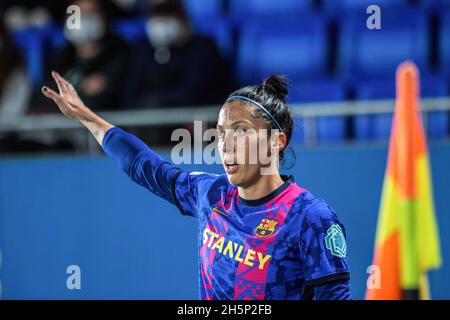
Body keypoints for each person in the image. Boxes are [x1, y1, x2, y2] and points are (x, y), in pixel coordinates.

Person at [41, 71, 351, 300]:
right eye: (220, 132)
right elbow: (144, 166)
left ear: (276, 141)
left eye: (241, 131)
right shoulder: (210, 193)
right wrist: (86, 117)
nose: (225, 144)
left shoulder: (310, 216)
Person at [30, 0, 129, 114]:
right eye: (75, 13)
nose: (83, 19)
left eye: (91, 13)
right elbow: (41, 99)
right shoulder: (59, 60)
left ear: (104, 18)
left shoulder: (120, 58)